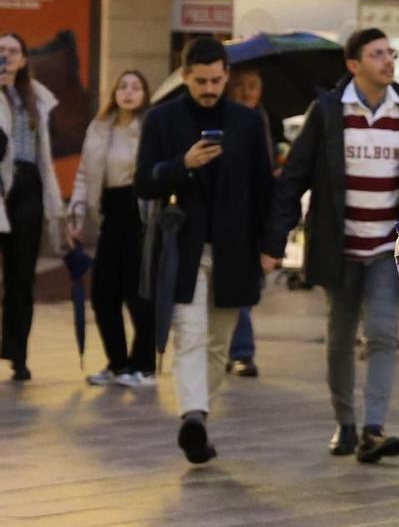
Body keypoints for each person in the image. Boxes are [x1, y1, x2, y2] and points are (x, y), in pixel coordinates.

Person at [261, 28, 399, 461]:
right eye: (377, 54)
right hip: (338, 247)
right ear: (354, 65)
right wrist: (275, 239)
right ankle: (345, 424)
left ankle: (373, 429)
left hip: (386, 248)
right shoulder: (327, 111)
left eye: (390, 52)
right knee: (339, 337)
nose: (388, 60)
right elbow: (295, 176)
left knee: (381, 334)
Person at [135, 37, 274, 464]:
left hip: (236, 251)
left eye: (216, 79)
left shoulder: (247, 123)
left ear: (226, 75)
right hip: (183, 249)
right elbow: (143, 181)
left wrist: (270, 246)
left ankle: (198, 416)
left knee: (218, 344)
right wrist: (184, 165)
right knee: (190, 336)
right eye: (201, 81)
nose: (209, 88)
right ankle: (192, 416)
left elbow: (266, 190)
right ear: (185, 76)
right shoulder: (161, 120)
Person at [67, 69, 156, 387]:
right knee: (104, 295)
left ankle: (144, 367)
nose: (129, 92)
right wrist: (77, 213)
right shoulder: (100, 126)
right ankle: (118, 364)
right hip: (111, 212)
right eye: (123, 86)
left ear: (145, 94)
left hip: (142, 213)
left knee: (139, 294)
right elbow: (83, 173)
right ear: (114, 93)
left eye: (136, 87)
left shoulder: (151, 126)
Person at [0, 31, 65, 381]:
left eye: (13, 51)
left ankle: (17, 353)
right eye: (1, 51)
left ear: (24, 59)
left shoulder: (37, 98)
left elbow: (45, 156)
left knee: (21, 275)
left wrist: (55, 207)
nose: (7, 56)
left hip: (28, 186)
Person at [223, 64, 271, 378]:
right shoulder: (223, 118)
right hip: (226, 215)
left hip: (253, 216)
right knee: (236, 287)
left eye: (252, 85)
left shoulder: (261, 119)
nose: (246, 92)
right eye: (239, 85)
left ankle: (236, 347)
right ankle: (240, 350)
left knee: (247, 287)